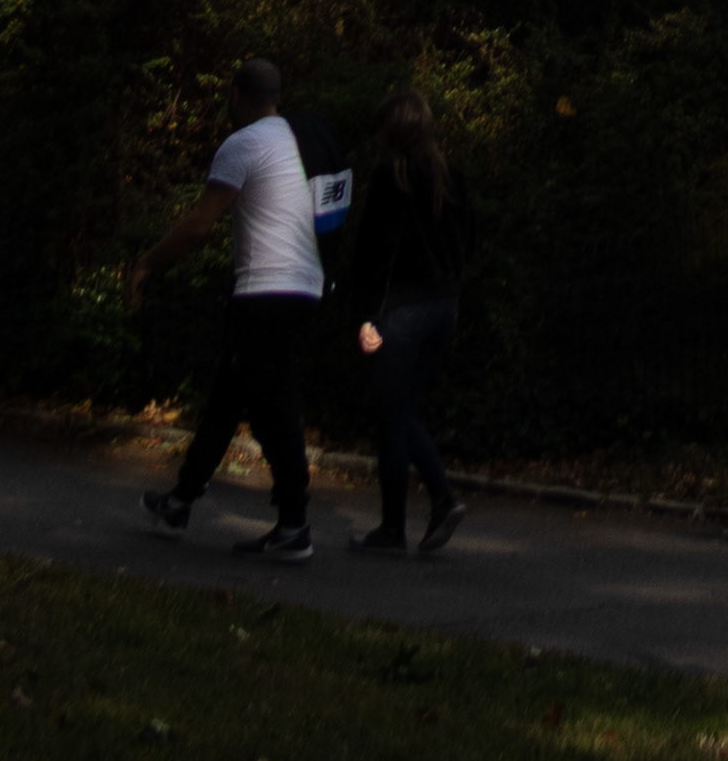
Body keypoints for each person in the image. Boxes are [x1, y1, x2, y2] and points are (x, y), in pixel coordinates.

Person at [124, 57, 323, 560]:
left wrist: (147, 260)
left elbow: (199, 226)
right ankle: (180, 500)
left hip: (266, 292)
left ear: (236, 95)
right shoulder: (291, 140)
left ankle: (295, 527)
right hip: (303, 285)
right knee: (229, 396)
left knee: (274, 406)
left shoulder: (244, 143)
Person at [345, 88, 472, 557]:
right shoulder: (451, 176)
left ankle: (407, 519)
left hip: (401, 311)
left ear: (390, 129)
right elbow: (469, 241)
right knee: (402, 412)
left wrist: (365, 315)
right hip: (444, 306)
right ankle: (437, 504)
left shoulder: (389, 178)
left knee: (390, 418)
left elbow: (372, 253)